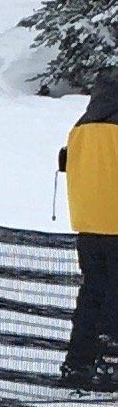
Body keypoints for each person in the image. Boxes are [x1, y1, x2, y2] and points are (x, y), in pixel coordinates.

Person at [60, 72, 118, 389]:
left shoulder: (81, 126)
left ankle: (78, 362)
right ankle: (110, 362)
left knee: (93, 292)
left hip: (88, 225)